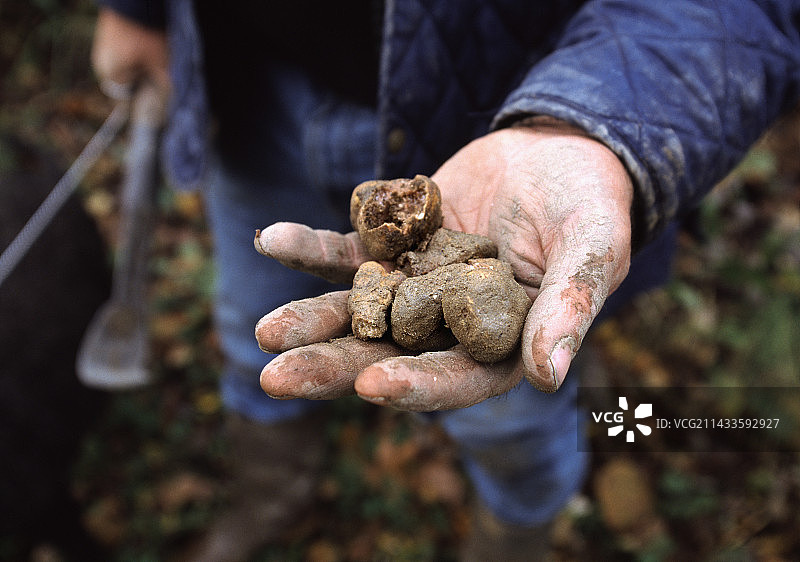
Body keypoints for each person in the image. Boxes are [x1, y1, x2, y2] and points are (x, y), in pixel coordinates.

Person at [92, 1, 800, 560]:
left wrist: (589, 125)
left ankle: (516, 530)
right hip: (251, 91)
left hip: (509, 106)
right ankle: (269, 488)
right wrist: (140, 7)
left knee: (510, 413)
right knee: (255, 336)